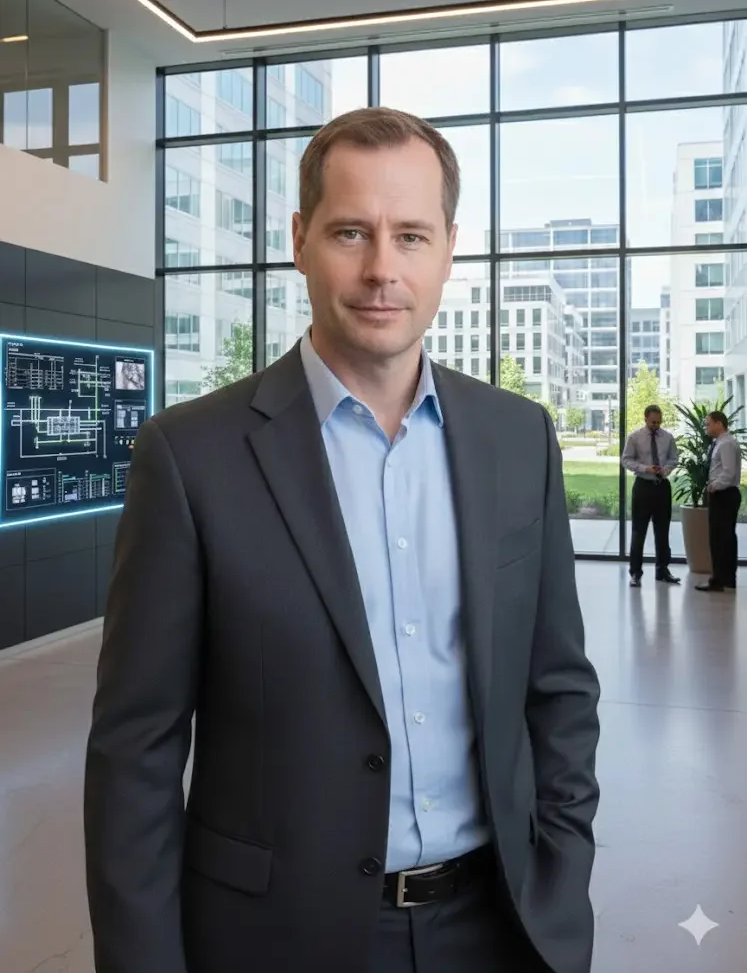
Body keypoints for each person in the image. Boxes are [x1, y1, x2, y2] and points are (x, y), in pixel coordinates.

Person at [84, 107, 601, 973]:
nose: (380, 270)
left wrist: (562, 873)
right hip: (273, 939)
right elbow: (135, 750)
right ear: (298, 239)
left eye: (410, 236)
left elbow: (557, 691)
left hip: (500, 925)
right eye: (350, 232)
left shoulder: (518, 437)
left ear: (448, 249)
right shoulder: (189, 457)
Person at [622, 404, 681, 587]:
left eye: (659, 422)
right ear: (645, 418)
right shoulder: (635, 437)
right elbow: (626, 460)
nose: (656, 425)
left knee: (662, 531)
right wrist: (645, 468)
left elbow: (674, 458)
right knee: (639, 532)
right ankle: (635, 574)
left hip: (662, 487)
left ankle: (662, 570)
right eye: (653, 422)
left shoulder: (668, 437)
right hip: (643, 488)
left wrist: (667, 469)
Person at [696, 410, 742, 592]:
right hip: (725, 494)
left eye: (708, 424)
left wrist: (714, 486)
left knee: (720, 538)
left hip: (724, 495)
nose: (706, 427)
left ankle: (719, 580)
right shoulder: (721, 443)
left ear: (719, 424)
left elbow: (729, 471)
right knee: (725, 537)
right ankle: (726, 578)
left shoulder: (726, 444)